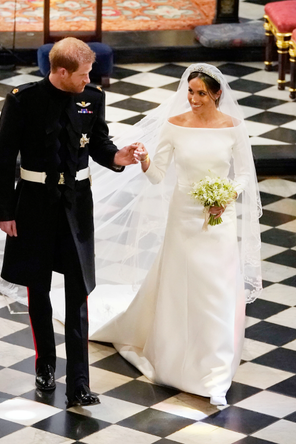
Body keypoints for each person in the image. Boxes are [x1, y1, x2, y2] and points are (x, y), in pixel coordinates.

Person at [87, 63, 262, 406]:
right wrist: (146, 159)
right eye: (190, 92)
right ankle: (178, 353)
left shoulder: (233, 128)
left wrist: (226, 195)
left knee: (217, 288)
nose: (193, 99)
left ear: (217, 95)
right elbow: (157, 175)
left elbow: (243, 174)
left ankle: (214, 369)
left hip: (219, 218)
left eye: (200, 93)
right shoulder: (174, 125)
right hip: (183, 216)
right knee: (183, 285)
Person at [0, 37, 139, 408]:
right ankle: (44, 366)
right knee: (38, 288)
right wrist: (4, 211)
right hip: (34, 205)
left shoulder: (92, 99)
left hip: (77, 206)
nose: (90, 80)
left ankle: (80, 383)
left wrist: (118, 157)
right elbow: (3, 157)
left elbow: (99, 143)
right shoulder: (22, 100)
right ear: (60, 71)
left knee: (78, 292)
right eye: (84, 74)